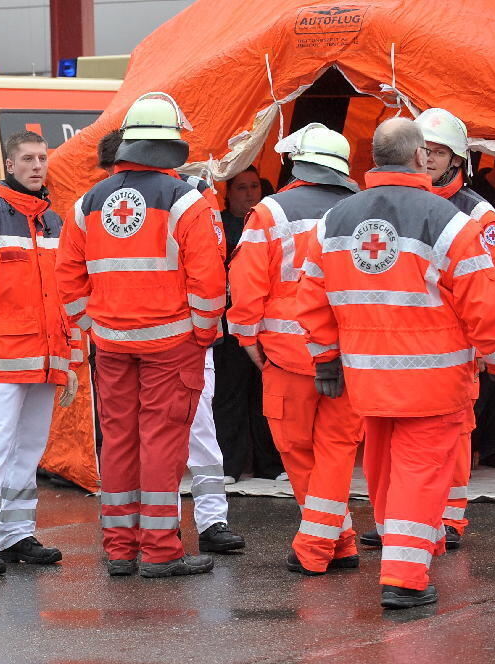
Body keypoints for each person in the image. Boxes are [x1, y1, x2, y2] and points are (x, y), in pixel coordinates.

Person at [297, 117, 495, 609]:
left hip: (367, 379)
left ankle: (405, 547)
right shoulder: (451, 222)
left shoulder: (335, 220)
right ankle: (405, 578)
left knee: (382, 467)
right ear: (419, 158)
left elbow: (310, 297)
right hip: (433, 382)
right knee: (419, 473)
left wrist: (326, 358)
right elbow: (484, 306)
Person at [57, 93, 226, 578]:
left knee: (119, 441)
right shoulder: (185, 199)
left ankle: (119, 547)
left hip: (111, 345)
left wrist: (92, 325)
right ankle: (158, 549)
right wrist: (201, 332)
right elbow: (209, 281)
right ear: (170, 145)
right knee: (162, 442)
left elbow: (68, 277)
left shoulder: (87, 203)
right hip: (172, 345)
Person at [360, 109, 495, 551]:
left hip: (455, 348)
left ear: (457, 160)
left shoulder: (479, 217)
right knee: (388, 441)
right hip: (400, 341)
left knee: (455, 434)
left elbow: (490, 288)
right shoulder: (399, 203)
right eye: (423, 150)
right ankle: (397, 521)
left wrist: (486, 348)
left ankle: (449, 518)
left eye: (438, 152)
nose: (427, 159)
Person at [97, 129, 245, 554]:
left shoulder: (193, 193)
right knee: (146, 438)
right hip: (155, 338)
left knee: (193, 430)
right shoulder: (108, 198)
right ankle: (155, 533)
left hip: (173, 337)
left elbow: (212, 259)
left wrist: (199, 332)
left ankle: (209, 519)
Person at [228, 123, 363, 575]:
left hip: (287, 354)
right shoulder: (361, 209)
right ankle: (338, 538)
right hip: (351, 352)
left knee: (298, 450)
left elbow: (247, 280)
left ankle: (316, 546)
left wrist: (246, 336)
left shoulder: (270, 211)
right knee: (339, 449)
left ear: (296, 162)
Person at [0, 130, 80, 577]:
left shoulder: (55, 225)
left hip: (45, 362)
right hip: (1, 364)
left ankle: (14, 534)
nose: (37, 166)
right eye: (27, 159)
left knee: (29, 451)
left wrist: (72, 361)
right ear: (9, 165)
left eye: (42, 159)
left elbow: (68, 299)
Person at [215, 167, 284, 482]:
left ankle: (272, 466)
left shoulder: (271, 222)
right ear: (228, 192)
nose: (249, 193)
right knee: (229, 394)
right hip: (229, 324)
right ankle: (230, 466)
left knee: (265, 395)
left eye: (255, 186)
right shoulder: (217, 224)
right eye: (241, 187)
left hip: (266, 322)